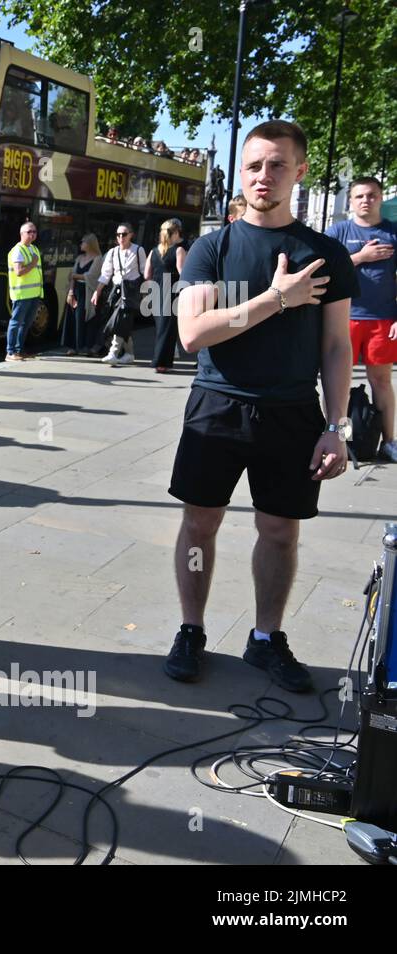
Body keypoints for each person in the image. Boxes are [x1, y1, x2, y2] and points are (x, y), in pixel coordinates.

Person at [163, 120, 357, 692]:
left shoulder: (323, 255)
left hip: (293, 414)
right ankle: (191, 629)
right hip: (217, 406)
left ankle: (266, 638)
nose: (262, 177)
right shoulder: (212, 248)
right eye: (253, 166)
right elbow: (194, 333)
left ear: (299, 171)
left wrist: (336, 427)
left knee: (280, 532)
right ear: (241, 173)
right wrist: (276, 299)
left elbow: (337, 346)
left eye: (276, 165)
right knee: (200, 524)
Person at [326, 176, 397, 461]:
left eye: (371, 195)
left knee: (381, 381)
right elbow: (321, 269)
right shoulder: (338, 231)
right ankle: (339, 439)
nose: (365, 200)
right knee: (337, 383)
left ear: (380, 198)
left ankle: (390, 441)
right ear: (351, 201)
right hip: (343, 318)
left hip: (383, 319)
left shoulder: (393, 232)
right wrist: (359, 257)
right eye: (359, 196)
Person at [92, 222, 146, 366]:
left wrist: (146, 292)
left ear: (131, 235)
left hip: (131, 291)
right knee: (123, 322)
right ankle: (129, 354)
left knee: (120, 320)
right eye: (118, 234)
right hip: (116, 290)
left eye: (124, 234)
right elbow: (105, 274)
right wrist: (97, 292)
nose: (121, 237)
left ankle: (113, 353)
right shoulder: (112, 252)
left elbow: (144, 272)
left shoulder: (138, 250)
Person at [145, 218, 187, 373]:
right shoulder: (178, 250)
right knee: (168, 330)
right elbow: (183, 272)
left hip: (155, 291)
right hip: (172, 292)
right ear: (174, 233)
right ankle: (160, 362)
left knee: (161, 329)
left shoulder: (153, 251)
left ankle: (160, 361)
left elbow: (146, 274)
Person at [5, 222, 43, 361]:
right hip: (22, 294)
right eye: (29, 231)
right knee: (16, 322)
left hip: (33, 293)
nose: (32, 234)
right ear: (22, 234)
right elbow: (19, 271)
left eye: (34, 231)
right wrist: (33, 263)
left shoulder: (34, 249)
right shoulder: (18, 250)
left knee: (26, 323)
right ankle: (10, 352)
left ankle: (19, 350)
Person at [62, 233, 102, 356]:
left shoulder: (98, 258)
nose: (81, 244)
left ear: (90, 244)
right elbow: (72, 276)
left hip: (88, 292)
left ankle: (84, 347)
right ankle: (73, 347)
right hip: (76, 291)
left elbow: (91, 277)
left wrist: (75, 276)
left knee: (84, 318)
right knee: (73, 318)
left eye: (83, 242)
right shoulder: (79, 258)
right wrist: (70, 292)